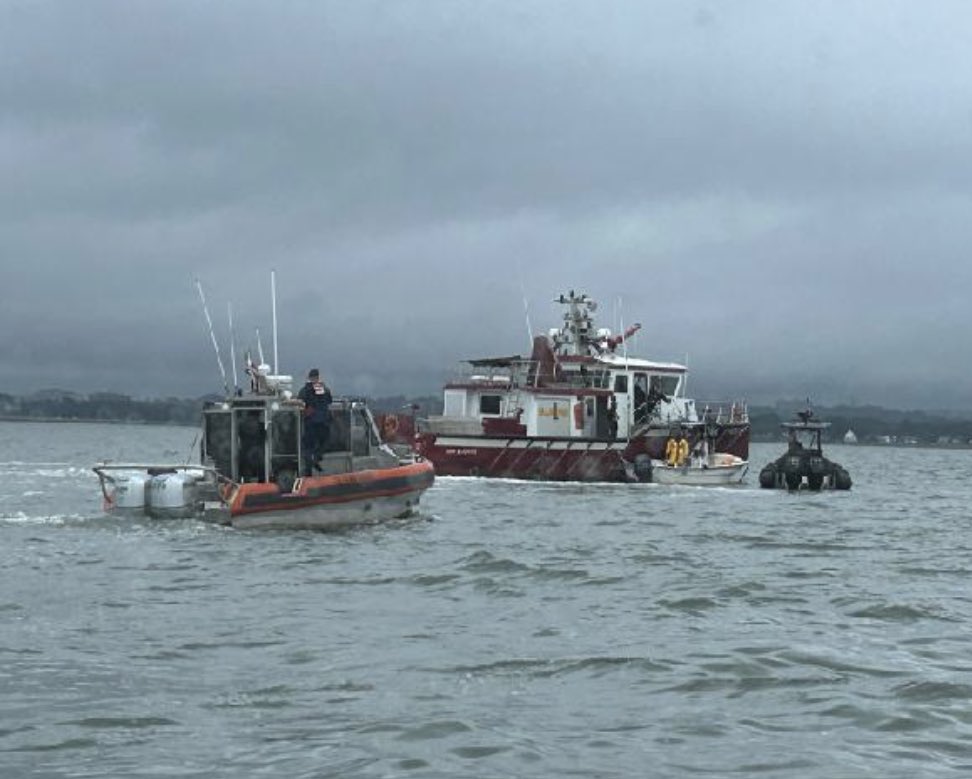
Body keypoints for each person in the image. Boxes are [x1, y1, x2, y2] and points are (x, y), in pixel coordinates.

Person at [297, 368, 333, 473]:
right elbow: (328, 400)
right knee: (324, 443)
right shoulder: (322, 388)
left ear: (309, 377)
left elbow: (300, 402)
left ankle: (310, 466)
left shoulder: (304, 390)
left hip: (310, 422)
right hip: (323, 422)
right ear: (317, 377)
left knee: (308, 446)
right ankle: (316, 459)